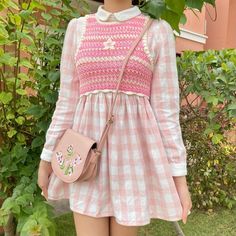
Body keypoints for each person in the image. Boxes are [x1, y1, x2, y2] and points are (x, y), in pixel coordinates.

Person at [37, 0, 192, 235]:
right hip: (85, 158)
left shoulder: (157, 31)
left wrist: (179, 178)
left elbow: (166, 113)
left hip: (132, 163)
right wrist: (47, 157)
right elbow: (67, 102)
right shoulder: (78, 29)